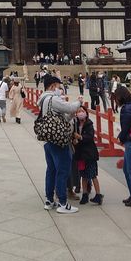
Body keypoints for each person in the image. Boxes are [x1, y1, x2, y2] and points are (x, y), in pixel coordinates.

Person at [39, 74, 83, 214]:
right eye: (58, 87)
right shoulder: (52, 98)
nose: (60, 90)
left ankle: (49, 200)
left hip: (49, 139)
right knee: (62, 170)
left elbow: (62, 117)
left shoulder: (44, 100)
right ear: (52, 86)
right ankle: (63, 202)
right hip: (59, 140)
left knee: (51, 170)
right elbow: (70, 108)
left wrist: (71, 115)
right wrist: (79, 102)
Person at [72, 104, 103, 205]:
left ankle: (98, 195)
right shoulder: (75, 125)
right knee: (83, 175)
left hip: (89, 154)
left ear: (86, 113)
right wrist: (74, 140)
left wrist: (80, 137)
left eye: (82, 111)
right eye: (79, 111)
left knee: (93, 174)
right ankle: (85, 194)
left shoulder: (89, 124)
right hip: (80, 154)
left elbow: (89, 137)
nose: (81, 113)